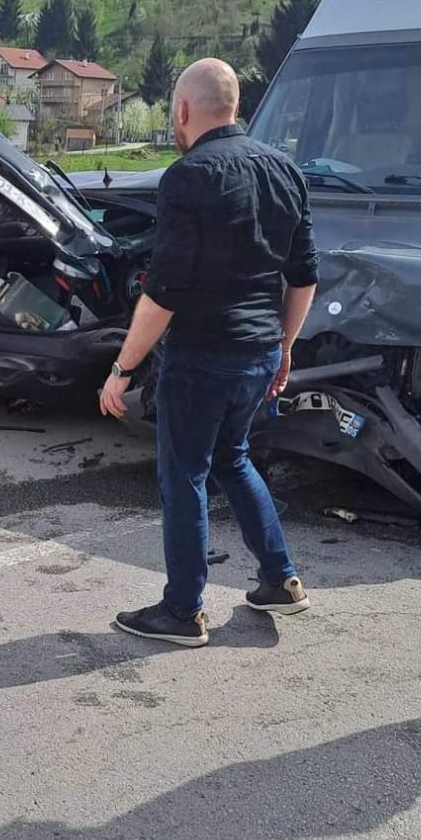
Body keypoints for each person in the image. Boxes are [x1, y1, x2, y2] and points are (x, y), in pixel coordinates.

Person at [98, 58, 319, 647]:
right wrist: (284, 346)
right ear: (236, 105)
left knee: (185, 477)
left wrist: (121, 370)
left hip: (201, 357)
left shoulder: (188, 175)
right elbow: (304, 276)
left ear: (183, 111)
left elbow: (163, 292)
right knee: (233, 458)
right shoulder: (285, 170)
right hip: (258, 354)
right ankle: (281, 579)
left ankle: (182, 611)